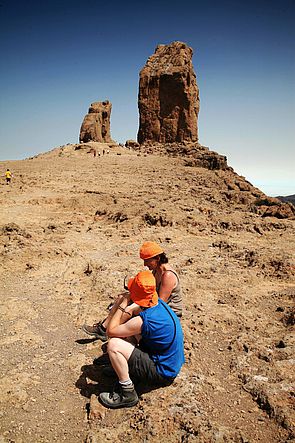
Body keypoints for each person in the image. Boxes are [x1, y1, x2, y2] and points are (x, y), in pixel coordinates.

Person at [99, 270, 185, 409]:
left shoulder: (146, 320)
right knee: (128, 331)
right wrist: (131, 308)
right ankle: (124, 366)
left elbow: (111, 331)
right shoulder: (158, 304)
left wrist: (123, 304)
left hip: (163, 371)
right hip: (169, 361)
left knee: (114, 345)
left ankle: (127, 393)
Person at [82, 241, 183, 341]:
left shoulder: (168, 275)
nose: (145, 264)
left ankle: (113, 332)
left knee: (129, 308)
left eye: (147, 260)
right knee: (123, 297)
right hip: (155, 304)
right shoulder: (156, 270)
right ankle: (104, 328)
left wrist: (136, 304)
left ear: (157, 258)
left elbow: (161, 303)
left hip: (169, 313)